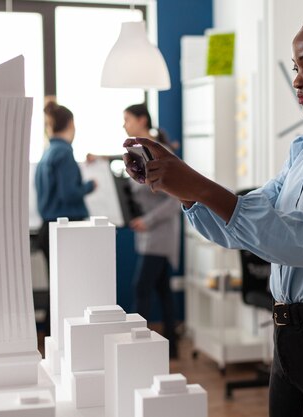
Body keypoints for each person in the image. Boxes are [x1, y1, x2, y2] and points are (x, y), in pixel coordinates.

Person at [123, 2, 303, 416]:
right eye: (295, 66)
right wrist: (181, 188)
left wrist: (198, 184)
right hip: (291, 343)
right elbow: (241, 224)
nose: (297, 79)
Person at [122, 104, 182, 359]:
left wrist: (148, 219)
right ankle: (172, 346)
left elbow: (175, 198)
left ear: (141, 120)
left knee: (141, 288)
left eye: (127, 119)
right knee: (162, 290)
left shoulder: (159, 151)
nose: (124, 125)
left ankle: (141, 348)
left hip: (160, 234)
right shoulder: (137, 152)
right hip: (150, 234)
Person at [35, 100, 96, 264]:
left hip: (48, 228)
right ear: (71, 123)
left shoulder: (48, 153)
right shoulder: (64, 153)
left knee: (57, 287)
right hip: (66, 230)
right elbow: (69, 194)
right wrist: (90, 185)